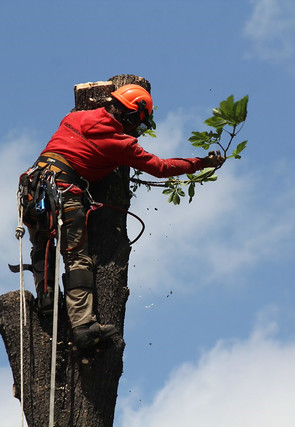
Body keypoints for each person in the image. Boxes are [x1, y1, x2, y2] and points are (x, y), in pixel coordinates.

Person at [21, 84, 225, 349]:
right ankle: (83, 327)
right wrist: (200, 163)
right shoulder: (119, 143)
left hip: (32, 189)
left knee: (43, 243)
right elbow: (160, 168)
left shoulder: (74, 118)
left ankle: (47, 300)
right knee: (76, 256)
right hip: (63, 192)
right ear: (131, 116)